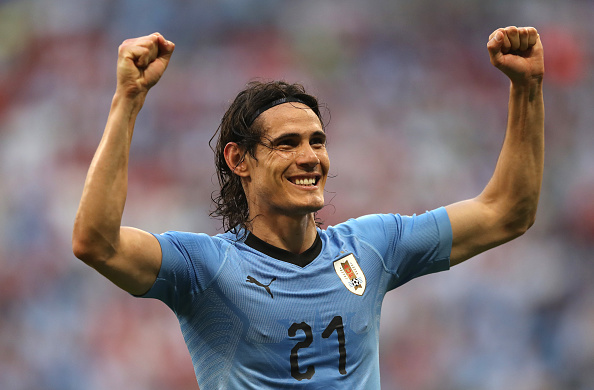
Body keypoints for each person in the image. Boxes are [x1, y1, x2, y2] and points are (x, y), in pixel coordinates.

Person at [72, 26, 544, 389]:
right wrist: (128, 100)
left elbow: (506, 212)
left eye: (317, 141)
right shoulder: (204, 268)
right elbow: (96, 243)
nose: (310, 157)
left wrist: (527, 88)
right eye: (287, 143)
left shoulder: (372, 247)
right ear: (240, 160)